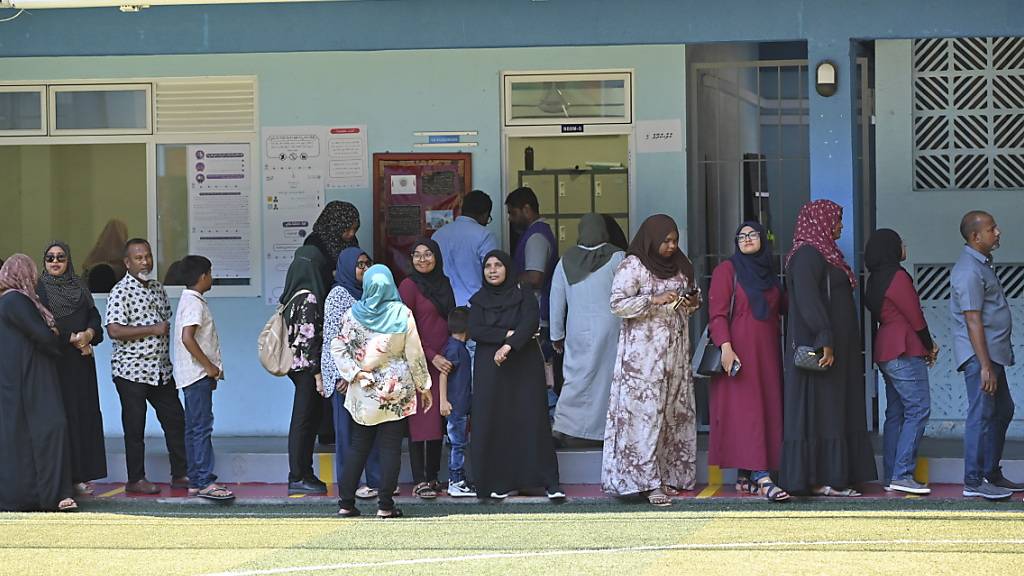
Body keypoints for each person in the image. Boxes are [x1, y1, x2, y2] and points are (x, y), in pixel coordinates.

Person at [602, 214, 701, 507]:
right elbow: (617, 304)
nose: (671, 246)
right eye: (665, 241)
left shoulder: (682, 265)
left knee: (672, 413)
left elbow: (694, 302)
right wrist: (653, 300)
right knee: (644, 415)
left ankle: (669, 475)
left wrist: (691, 301)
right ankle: (646, 482)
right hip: (642, 358)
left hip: (675, 353)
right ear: (651, 240)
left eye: (674, 241)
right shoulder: (634, 265)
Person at [779, 200, 877, 497]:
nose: (840, 226)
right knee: (822, 410)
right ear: (820, 222)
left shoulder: (825, 254)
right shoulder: (807, 255)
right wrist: (825, 339)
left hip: (836, 349)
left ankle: (836, 475)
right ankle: (820, 479)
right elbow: (808, 301)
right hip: (820, 351)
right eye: (836, 220)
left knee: (835, 408)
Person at [331, 265, 432, 519]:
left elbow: (338, 348)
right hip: (395, 391)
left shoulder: (352, 314)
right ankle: (385, 506)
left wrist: (354, 372)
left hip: (364, 390)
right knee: (390, 448)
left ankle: (346, 503)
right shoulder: (402, 313)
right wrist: (424, 387)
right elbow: (414, 353)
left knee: (358, 446)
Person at [469, 250, 563, 500]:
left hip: (523, 367)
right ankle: (501, 482)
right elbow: (476, 330)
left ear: (508, 268)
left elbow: (529, 323)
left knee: (532, 418)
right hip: (491, 370)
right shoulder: (478, 300)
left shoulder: (524, 295)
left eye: (498, 265)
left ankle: (549, 483)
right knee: (497, 421)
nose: (492, 270)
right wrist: (504, 335)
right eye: (488, 266)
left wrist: (508, 345)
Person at [707, 222, 787, 502]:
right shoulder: (726, 271)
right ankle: (762, 475)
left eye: (753, 235)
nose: (747, 239)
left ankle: (744, 477)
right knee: (748, 412)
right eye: (741, 236)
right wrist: (726, 348)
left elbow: (783, 305)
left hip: (766, 351)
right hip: (739, 352)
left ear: (764, 239)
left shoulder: (768, 272)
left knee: (765, 408)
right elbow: (716, 313)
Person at [105, 238, 188, 495]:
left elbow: (167, 321)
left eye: (148, 256)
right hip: (131, 371)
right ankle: (136, 479)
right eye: (139, 258)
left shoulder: (157, 288)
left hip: (160, 370)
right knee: (135, 427)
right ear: (127, 263)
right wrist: (152, 329)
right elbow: (114, 330)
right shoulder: (120, 291)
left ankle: (181, 474)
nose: (145, 261)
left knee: (175, 420)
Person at [950, 211, 1022, 500]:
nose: (998, 232)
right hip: (981, 357)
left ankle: (991, 473)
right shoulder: (968, 270)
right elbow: (973, 320)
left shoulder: (981, 264)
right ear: (975, 236)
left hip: (992, 355)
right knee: (981, 415)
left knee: (1002, 410)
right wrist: (984, 366)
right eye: (992, 229)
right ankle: (973, 480)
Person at [0, 255, 77, 512]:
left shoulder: (14, 300)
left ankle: (43, 494)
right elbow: (43, 336)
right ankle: (51, 495)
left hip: (26, 376)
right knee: (52, 427)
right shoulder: (15, 300)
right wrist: (60, 337)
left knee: (31, 433)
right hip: (29, 377)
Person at [865, 228, 938, 496]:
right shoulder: (897, 277)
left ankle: (891, 475)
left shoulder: (874, 279)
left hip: (886, 348)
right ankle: (902, 473)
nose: (904, 246)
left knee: (895, 413)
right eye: (900, 243)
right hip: (903, 348)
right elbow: (915, 316)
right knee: (918, 409)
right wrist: (929, 345)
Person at [36, 241, 107, 498]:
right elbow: (40, 327)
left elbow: (94, 316)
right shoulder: (38, 290)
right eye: (50, 258)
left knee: (83, 416)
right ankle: (62, 477)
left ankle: (80, 475)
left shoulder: (79, 285)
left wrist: (88, 334)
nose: (55, 262)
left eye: (60, 258)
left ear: (68, 261)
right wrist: (72, 337)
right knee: (60, 418)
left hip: (81, 361)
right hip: (55, 363)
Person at [549, 214, 624, 445]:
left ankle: (565, 426)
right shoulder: (618, 256)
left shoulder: (565, 260)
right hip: (612, 327)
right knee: (607, 379)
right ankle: (604, 430)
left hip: (577, 329)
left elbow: (556, 300)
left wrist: (556, 335)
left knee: (576, 377)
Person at [321, 247, 384, 499]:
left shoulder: (373, 292)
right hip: (347, 379)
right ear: (347, 267)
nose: (364, 269)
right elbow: (333, 339)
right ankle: (350, 483)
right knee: (348, 433)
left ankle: (376, 480)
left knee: (373, 428)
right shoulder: (338, 294)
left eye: (368, 264)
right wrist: (342, 375)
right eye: (359, 265)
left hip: (371, 374)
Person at [171, 255, 233, 501]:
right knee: (202, 428)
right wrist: (209, 367)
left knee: (193, 428)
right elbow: (188, 338)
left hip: (191, 376)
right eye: (210, 272)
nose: (211, 277)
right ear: (201, 277)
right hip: (196, 375)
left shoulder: (190, 300)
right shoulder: (194, 303)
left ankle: (196, 479)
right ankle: (205, 481)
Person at [398, 238, 455, 499]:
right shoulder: (409, 286)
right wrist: (431, 357)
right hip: (421, 362)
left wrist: (450, 354)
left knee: (439, 421)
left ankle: (433, 477)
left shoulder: (444, 284)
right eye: (416, 255)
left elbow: (452, 320)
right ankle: (419, 480)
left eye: (428, 254)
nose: (422, 259)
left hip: (446, 362)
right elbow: (405, 330)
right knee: (421, 421)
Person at [304, 201, 361, 447]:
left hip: (350, 313)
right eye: (347, 228)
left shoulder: (351, 245)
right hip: (324, 313)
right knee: (329, 373)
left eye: (354, 229)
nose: (350, 234)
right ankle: (327, 431)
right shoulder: (314, 244)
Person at [280, 245, 329, 494]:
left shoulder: (292, 296)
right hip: (308, 371)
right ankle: (299, 474)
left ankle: (301, 472)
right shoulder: (309, 297)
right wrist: (318, 375)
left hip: (296, 369)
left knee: (303, 420)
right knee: (304, 421)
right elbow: (309, 342)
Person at [506, 187, 559, 373]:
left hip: (536, 311)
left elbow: (535, 277)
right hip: (534, 310)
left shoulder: (536, 236)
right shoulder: (536, 232)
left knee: (536, 367)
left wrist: (506, 279)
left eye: (513, 213)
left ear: (526, 209)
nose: (510, 219)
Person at [432, 190, 499, 307]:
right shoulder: (485, 236)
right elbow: (494, 274)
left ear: (462, 209)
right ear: (484, 215)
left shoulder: (438, 235)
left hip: (442, 306)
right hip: (476, 307)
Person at [439, 306, 475, 497]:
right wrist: (443, 401)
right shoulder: (454, 349)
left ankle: (458, 480)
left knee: (458, 443)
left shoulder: (458, 347)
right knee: (457, 444)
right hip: (455, 406)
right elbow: (443, 374)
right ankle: (456, 481)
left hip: (460, 404)